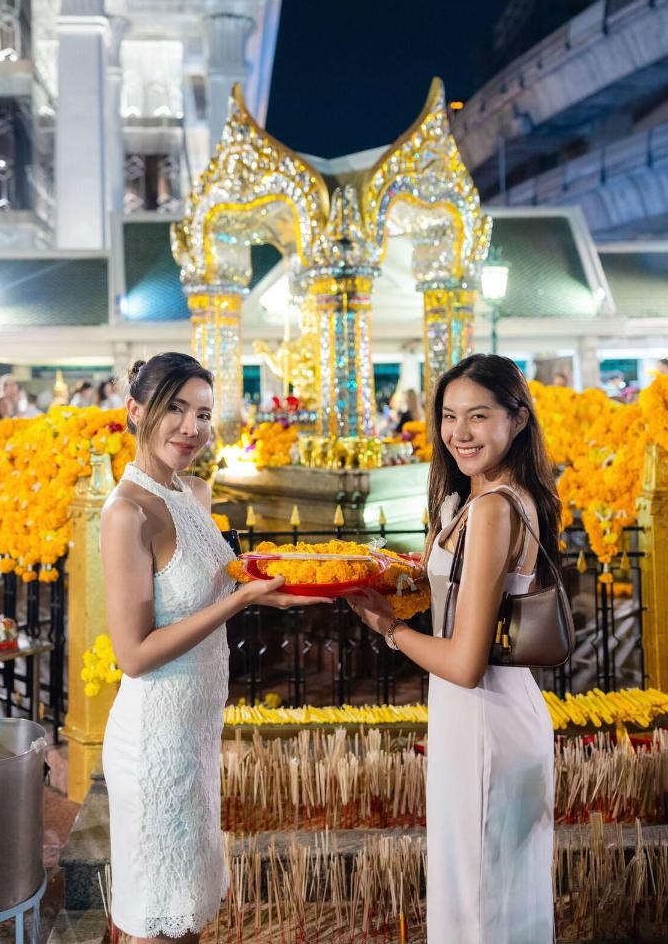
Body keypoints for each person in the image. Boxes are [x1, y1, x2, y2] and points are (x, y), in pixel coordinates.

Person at [100, 352, 331, 943]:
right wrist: (240, 601)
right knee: (158, 919)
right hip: (154, 737)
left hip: (195, 732)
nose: (191, 428)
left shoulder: (195, 492)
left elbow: (213, 581)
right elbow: (134, 655)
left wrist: (276, 591)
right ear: (136, 411)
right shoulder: (128, 513)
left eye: (203, 414)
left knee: (190, 912)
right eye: (174, 409)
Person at [347, 354, 558, 943]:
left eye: (478, 416)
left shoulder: (492, 509)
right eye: (448, 416)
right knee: (483, 896)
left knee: (480, 908)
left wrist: (388, 627)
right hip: (478, 717)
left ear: (517, 420)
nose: (460, 432)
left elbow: (465, 663)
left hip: (486, 720)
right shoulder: (483, 499)